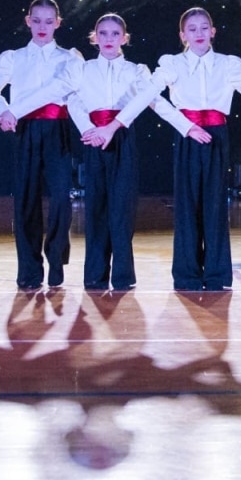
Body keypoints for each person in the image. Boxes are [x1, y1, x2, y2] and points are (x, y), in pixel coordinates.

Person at [94, 7, 241, 292]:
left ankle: (217, 275)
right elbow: (146, 95)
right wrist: (114, 126)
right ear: (183, 35)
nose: (199, 33)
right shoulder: (172, 64)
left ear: (213, 31)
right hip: (187, 135)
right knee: (187, 205)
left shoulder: (229, 65)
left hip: (216, 137)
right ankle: (187, 276)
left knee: (215, 205)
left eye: (204, 27)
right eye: (192, 29)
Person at [63, 14, 189, 290]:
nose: (109, 39)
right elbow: (72, 100)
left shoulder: (136, 70)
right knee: (96, 207)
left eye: (115, 33)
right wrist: (89, 129)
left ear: (124, 38)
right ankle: (95, 275)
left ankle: (122, 276)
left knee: (122, 206)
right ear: (95, 38)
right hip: (93, 138)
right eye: (103, 33)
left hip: (122, 138)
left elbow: (153, 101)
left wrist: (187, 127)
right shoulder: (82, 69)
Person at [0, 0, 83, 290]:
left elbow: (62, 89)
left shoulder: (70, 58)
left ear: (58, 23)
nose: (42, 26)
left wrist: (13, 110)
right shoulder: (13, 57)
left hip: (56, 130)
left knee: (62, 197)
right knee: (26, 200)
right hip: (25, 131)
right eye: (36, 20)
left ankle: (56, 259)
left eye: (48, 21)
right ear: (28, 21)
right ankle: (29, 269)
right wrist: (3, 111)